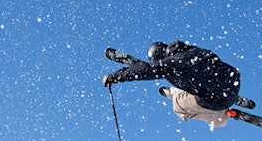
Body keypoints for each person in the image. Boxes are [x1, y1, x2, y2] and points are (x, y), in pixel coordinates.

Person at [103, 41, 241, 128]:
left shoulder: (172, 64)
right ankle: (227, 99)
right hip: (231, 82)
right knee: (194, 81)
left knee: (178, 108)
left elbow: (146, 71)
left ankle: (220, 114)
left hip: (218, 100)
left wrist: (114, 77)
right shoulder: (191, 50)